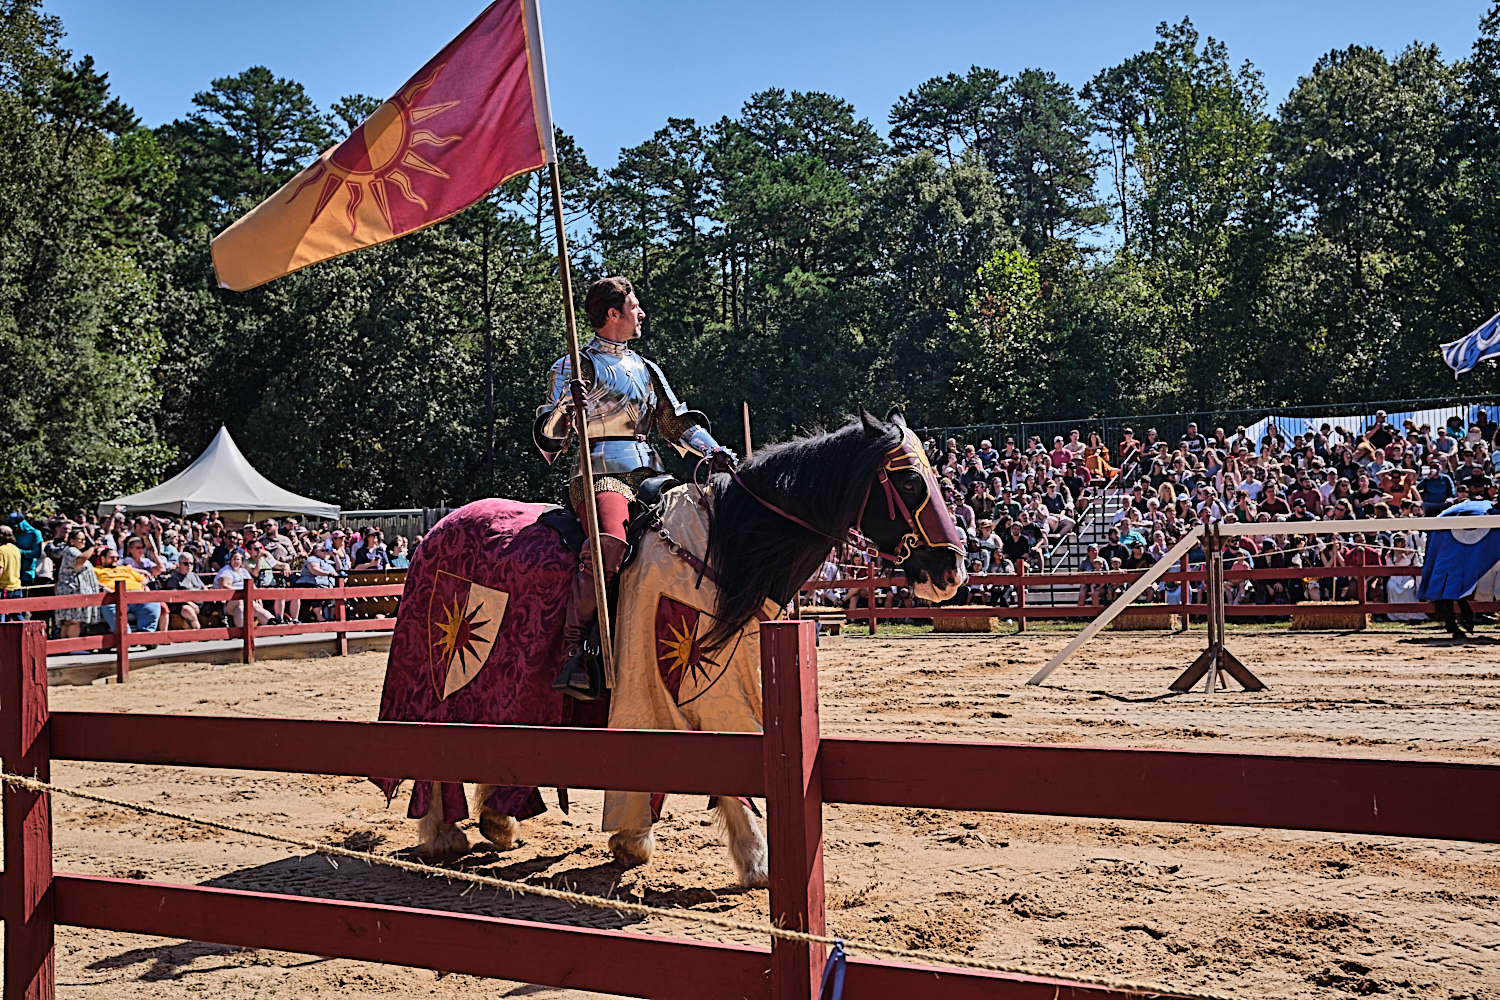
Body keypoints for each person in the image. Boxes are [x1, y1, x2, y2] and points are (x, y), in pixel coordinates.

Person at [534, 276, 736, 687]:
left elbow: (675, 423)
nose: (641, 313)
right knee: (611, 544)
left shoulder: (645, 368)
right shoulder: (575, 364)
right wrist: (565, 409)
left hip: (651, 475)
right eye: (635, 306)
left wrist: (716, 452)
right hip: (599, 475)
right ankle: (575, 652)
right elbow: (547, 441)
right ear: (613, 314)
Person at [95, 548, 159, 634]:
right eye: (112, 557)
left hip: (136, 594)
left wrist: (144, 585)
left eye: (117, 558)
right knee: (109, 607)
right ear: (102, 558)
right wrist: (103, 587)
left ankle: (146, 635)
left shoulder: (125, 569)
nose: (115, 560)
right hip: (115, 596)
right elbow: (92, 582)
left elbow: (143, 579)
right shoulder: (96, 570)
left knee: (153, 605)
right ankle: (126, 636)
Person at [55, 528, 103, 638]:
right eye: (81, 540)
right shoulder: (71, 550)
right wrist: (93, 547)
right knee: (74, 620)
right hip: (72, 590)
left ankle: (66, 647)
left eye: (84, 540)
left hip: (74, 590)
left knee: (70, 620)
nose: (84, 542)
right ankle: (72, 646)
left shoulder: (74, 551)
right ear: (72, 541)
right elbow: (80, 562)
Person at [215, 550, 271, 629]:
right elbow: (224, 586)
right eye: (233, 559)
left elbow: (252, 586)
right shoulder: (225, 571)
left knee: (256, 607)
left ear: (241, 561)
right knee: (241, 604)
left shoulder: (244, 571)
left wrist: (257, 596)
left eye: (238, 559)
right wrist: (243, 594)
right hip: (229, 600)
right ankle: (243, 631)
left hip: (246, 598)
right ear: (230, 560)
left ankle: (273, 622)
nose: (235, 561)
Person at [163, 552, 206, 630]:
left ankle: (224, 628)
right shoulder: (174, 578)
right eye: (186, 563)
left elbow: (204, 589)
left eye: (191, 563)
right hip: (182, 605)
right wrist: (191, 604)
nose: (189, 566)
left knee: (219, 603)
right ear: (179, 564)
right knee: (188, 610)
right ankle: (198, 631)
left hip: (199, 602)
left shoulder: (194, 575)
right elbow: (175, 596)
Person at [6, 512, 44, 588]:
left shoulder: (35, 533)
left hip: (28, 573)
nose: (14, 529)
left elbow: (36, 553)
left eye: (15, 527)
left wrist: (18, 551)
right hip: (13, 572)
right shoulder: (13, 533)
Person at [0, 525, 23, 620]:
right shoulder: (16, 549)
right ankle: (27, 633)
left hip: (3, 588)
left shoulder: (1, 550)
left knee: (1, 616)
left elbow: (0, 569)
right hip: (16, 587)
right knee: (18, 615)